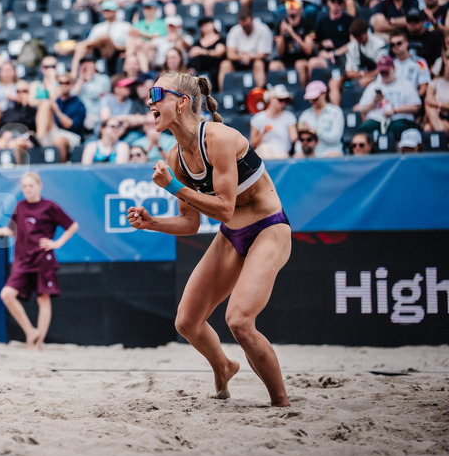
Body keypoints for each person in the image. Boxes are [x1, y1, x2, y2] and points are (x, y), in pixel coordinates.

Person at [127, 72, 291, 407]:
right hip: (232, 234)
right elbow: (190, 224)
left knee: (239, 321)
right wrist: (152, 223)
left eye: (156, 94)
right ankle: (224, 367)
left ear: (182, 102)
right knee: (187, 322)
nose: (149, 101)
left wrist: (174, 187)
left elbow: (225, 209)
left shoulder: (219, 138)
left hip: (269, 228)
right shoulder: (176, 157)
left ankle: (281, 404)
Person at [0, 172, 78, 350]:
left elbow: (72, 226)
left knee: (43, 299)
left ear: (39, 186)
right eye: (25, 186)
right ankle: (30, 331)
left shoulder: (49, 206)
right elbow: (11, 231)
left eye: (31, 186)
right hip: (22, 261)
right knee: (7, 294)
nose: (28, 189)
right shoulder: (20, 206)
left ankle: (37, 345)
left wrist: (56, 243)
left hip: (43, 260)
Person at [354, 54, 423, 141]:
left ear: (393, 68)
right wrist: (374, 103)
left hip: (399, 118)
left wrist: (395, 111)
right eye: (382, 72)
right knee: (364, 128)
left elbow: (416, 106)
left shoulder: (405, 84)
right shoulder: (373, 86)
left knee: (397, 127)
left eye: (386, 71)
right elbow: (362, 109)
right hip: (377, 119)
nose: (384, 74)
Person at [297, 81, 344, 157]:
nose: (313, 101)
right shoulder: (305, 115)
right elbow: (300, 140)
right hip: (309, 154)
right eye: (310, 99)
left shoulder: (336, 112)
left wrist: (314, 131)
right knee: (298, 156)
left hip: (329, 152)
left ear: (324, 94)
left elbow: (335, 138)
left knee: (333, 155)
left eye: (315, 98)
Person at [250, 83, 297, 157]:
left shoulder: (289, 117)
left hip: (283, 154)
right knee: (264, 149)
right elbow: (253, 144)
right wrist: (263, 133)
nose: (283, 103)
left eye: (285, 100)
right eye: (280, 100)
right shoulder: (257, 118)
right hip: (263, 154)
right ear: (271, 98)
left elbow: (294, 138)